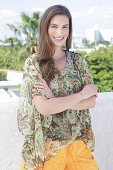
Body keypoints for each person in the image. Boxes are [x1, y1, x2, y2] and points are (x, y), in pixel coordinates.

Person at [17, 4, 98, 170]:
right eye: (54, 26)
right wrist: (81, 95)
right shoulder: (34, 63)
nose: (60, 33)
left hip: (78, 144)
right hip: (48, 148)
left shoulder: (78, 61)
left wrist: (55, 100)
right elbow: (45, 108)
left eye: (64, 27)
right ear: (45, 27)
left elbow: (91, 103)